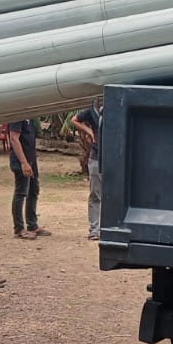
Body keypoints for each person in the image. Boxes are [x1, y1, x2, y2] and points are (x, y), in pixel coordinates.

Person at [6, 117, 49, 240]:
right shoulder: (18, 116)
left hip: (31, 159)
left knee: (33, 190)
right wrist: (24, 162)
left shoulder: (30, 117)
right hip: (21, 161)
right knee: (21, 192)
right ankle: (19, 229)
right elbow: (14, 138)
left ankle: (32, 224)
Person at [70, 101, 103, 241]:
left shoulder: (118, 103)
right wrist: (89, 131)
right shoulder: (92, 110)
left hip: (115, 158)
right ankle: (94, 230)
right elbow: (74, 120)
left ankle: (110, 229)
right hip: (96, 157)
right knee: (95, 194)